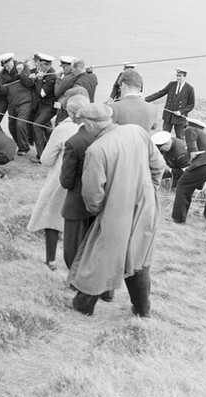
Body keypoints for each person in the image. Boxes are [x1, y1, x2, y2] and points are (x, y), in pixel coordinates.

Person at [67, 103, 165, 318]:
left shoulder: (96, 150)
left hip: (115, 214)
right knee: (139, 259)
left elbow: (92, 195)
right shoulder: (137, 131)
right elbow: (158, 165)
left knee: (97, 258)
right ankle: (142, 310)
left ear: (90, 125)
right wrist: (149, 192)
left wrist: (99, 210)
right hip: (146, 208)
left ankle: (83, 307)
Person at [27, 92, 90, 271]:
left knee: (51, 215)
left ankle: (51, 260)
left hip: (62, 179)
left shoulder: (64, 129)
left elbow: (46, 159)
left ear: (70, 113)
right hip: (87, 182)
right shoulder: (96, 126)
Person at [58, 89, 101, 270]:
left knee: (72, 246)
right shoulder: (103, 135)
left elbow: (66, 180)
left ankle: (75, 280)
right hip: (101, 199)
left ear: (73, 114)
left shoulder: (73, 142)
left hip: (77, 201)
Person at [0, 52, 35, 155]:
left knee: (20, 124)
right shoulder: (2, 73)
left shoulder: (22, 66)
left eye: (8, 64)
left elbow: (29, 83)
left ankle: (24, 148)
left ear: (12, 60)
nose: (6, 67)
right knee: (11, 126)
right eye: (4, 65)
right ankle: (19, 145)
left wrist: (21, 73)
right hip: (12, 103)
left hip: (25, 101)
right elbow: (4, 91)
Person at [23, 52, 57, 160]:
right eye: (38, 63)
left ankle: (41, 156)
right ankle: (52, 149)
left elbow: (41, 94)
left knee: (36, 125)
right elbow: (29, 83)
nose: (38, 65)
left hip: (48, 106)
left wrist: (38, 80)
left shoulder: (51, 76)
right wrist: (32, 78)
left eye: (41, 64)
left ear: (48, 65)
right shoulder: (41, 71)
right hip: (40, 105)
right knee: (46, 128)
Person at [145, 68, 196, 138]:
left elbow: (191, 105)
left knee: (180, 137)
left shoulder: (190, 89)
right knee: (164, 136)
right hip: (168, 116)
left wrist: (181, 112)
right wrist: (145, 99)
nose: (178, 78)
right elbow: (160, 93)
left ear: (184, 77)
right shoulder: (171, 84)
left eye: (180, 76)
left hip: (180, 119)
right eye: (177, 76)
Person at [54, 58, 98, 122]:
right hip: (90, 108)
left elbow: (73, 101)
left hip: (81, 112)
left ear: (77, 69)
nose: (71, 71)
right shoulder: (93, 76)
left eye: (72, 69)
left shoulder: (77, 83)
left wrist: (60, 104)